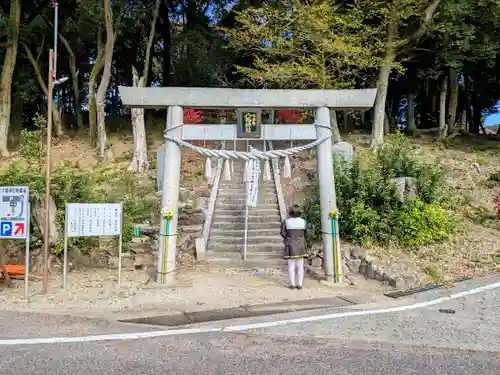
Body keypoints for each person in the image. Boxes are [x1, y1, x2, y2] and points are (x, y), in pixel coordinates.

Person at [280, 204, 307, 290]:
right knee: (300, 266)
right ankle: (300, 284)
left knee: (291, 266)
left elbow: (282, 233)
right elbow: (306, 233)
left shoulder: (286, 222)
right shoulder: (303, 222)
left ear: (290, 212)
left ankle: (292, 284)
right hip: (300, 244)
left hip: (290, 244)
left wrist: (288, 238)